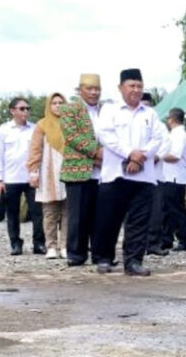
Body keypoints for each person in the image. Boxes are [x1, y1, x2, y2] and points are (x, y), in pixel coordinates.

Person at [93, 68, 165, 276]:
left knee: (139, 221)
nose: (136, 90)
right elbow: (106, 136)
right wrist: (129, 154)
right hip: (115, 173)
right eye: (131, 86)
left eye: (139, 86)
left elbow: (158, 138)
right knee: (108, 219)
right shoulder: (109, 110)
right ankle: (104, 258)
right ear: (120, 88)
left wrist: (141, 157)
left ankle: (133, 261)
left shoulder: (150, 113)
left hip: (143, 176)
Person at [0, 97, 46, 256]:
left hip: (32, 177)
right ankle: (15, 243)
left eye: (28, 108)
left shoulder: (35, 128)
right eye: (22, 108)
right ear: (12, 111)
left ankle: (39, 243)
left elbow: (40, 152)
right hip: (11, 178)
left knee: (38, 213)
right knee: (12, 214)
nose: (26, 111)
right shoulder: (3, 130)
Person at [60, 74, 104, 266]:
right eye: (89, 88)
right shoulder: (70, 109)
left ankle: (101, 254)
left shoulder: (107, 110)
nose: (94, 92)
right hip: (78, 169)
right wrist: (96, 153)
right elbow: (72, 136)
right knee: (78, 215)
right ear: (80, 90)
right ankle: (76, 255)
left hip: (103, 171)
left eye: (97, 89)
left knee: (101, 215)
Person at [27, 93, 69, 259]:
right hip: (48, 170)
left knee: (68, 211)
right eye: (54, 103)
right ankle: (51, 246)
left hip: (68, 170)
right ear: (49, 106)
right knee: (50, 212)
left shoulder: (70, 124)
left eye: (61, 102)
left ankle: (65, 246)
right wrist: (33, 171)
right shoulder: (42, 125)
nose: (58, 106)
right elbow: (35, 149)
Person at [143, 92, 172, 257]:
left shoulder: (159, 125)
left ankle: (153, 244)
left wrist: (156, 156)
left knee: (156, 211)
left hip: (156, 175)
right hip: (135, 175)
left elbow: (166, 143)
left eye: (147, 105)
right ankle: (137, 244)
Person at [160, 107, 186, 251]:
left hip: (175, 177)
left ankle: (184, 240)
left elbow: (175, 155)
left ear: (171, 119)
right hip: (168, 176)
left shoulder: (179, 134)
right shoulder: (174, 134)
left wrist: (158, 156)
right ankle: (166, 239)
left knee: (176, 210)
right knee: (167, 209)